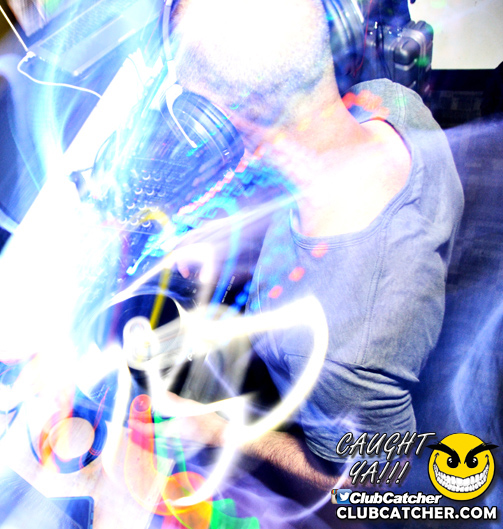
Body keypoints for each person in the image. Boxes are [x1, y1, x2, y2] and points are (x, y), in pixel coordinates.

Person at [158, 0, 464, 491]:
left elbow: (375, 477)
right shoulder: (389, 102)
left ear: (221, 118)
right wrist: (233, 228)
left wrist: (217, 430)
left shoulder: (337, 349)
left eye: (193, 102)